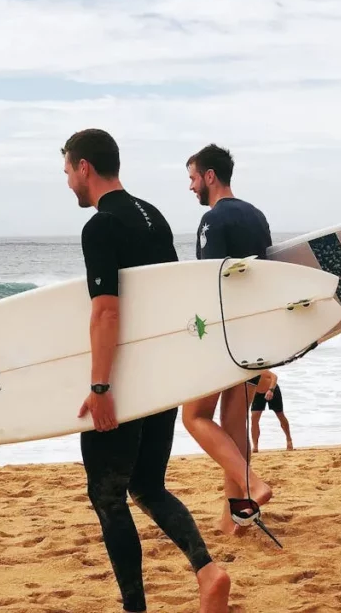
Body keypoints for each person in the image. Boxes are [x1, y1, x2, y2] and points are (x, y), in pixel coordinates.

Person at [64, 128, 230, 613]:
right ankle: (207, 570)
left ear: (84, 168)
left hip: (126, 383)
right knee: (147, 485)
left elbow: (107, 312)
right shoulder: (152, 217)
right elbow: (170, 299)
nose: (69, 183)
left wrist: (100, 387)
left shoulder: (99, 227)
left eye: (68, 172)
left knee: (108, 496)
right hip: (161, 378)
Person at [179, 143, 275, 536]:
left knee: (194, 416)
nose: (191, 188)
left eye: (192, 178)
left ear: (209, 177)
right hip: (252, 333)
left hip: (223, 334)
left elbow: (210, 282)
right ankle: (236, 518)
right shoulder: (257, 216)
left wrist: (195, 335)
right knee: (233, 429)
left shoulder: (212, 221)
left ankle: (252, 486)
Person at [248, 370, 293, 452]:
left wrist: (271, 390)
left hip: (272, 390)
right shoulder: (242, 374)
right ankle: (255, 446)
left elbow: (274, 376)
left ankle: (289, 440)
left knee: (280, 415)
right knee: (254, 419)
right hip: (257, 393)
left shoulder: (258, 369)